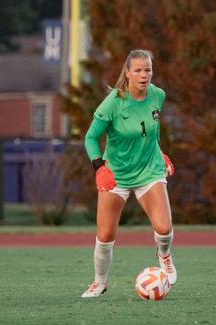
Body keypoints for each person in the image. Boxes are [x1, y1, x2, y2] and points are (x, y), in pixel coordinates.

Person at [81, 49, 176, 298]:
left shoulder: (158, 95)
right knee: (105, 236)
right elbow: (90, 137)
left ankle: (164, 256)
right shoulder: (113, 101)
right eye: (138, 70)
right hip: (117, 174)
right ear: (127, 72)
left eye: (148, 70)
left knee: (164, 228)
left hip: (149, 169)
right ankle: (99, 282)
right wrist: (99, 167)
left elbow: (152, 131)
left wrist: (160, 152)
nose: (144, 75)